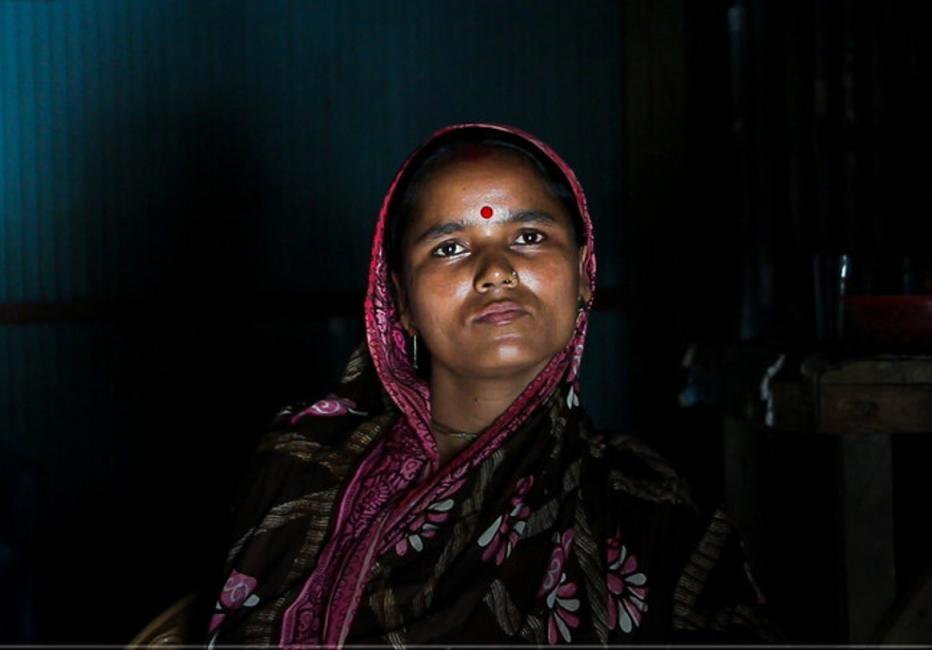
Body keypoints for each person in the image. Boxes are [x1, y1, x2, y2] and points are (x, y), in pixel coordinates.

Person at [205, 123, 778, 646]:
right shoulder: (304, 463)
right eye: (450, 248)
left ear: (583, 275)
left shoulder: (650, 505)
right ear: (400, 302)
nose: (496, 271)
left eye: (529, 237)